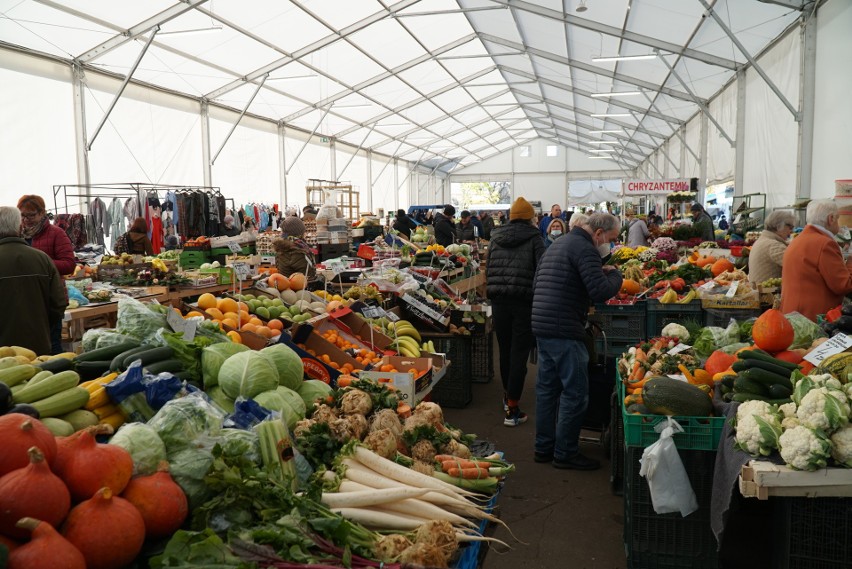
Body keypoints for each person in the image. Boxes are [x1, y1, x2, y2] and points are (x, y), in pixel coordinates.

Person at [532, 212, 623, 470]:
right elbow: (600, 291)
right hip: (565, 329)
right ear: (598, 234)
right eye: (612, 238)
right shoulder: (585, 249)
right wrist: (615, 275)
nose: (611, 244)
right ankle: (565, 453)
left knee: (547, 391)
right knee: (575, 394)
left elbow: (542, 281)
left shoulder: (558, 244)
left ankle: (544, 448)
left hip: (543, 324)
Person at [485, 197, 545, 427]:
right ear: (530, 217)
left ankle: (506, 395)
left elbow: (489, 267)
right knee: (519, 353)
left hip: (499, 301)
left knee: (506, 349)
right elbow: (541, 269)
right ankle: (512, 408)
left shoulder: (495, 238)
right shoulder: (535, 238)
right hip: (523, 302)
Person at [0, 207, 67, 356]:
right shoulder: (43, 259)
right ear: (20, 226)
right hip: (38, 347)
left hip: (3, 354)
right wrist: (42, 328)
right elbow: (58, 304)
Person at [18, 195, 76, 354]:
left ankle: (58, 375)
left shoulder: (56, 233)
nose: (27, 219)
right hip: (26, 299)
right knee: (26, 347)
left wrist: (40, 264)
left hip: (50, 297)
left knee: (51, 342)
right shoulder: (17, 234)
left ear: (42, 212)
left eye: (32, 215)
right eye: (23, 215)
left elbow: (69, 264)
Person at [781, 199, 852, 321]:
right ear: (831, 219)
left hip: (794, 314)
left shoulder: (799, 239)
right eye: (838, 218)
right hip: (812, 318)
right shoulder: (825, 244)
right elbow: (844, 285)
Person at [747, 210, 796, 285]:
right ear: (779, 226)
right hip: (768, 295)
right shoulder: (773, 246)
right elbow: (798, 265)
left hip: (758, 291)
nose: (791, 231)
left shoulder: (763, 240)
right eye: (790, 227)